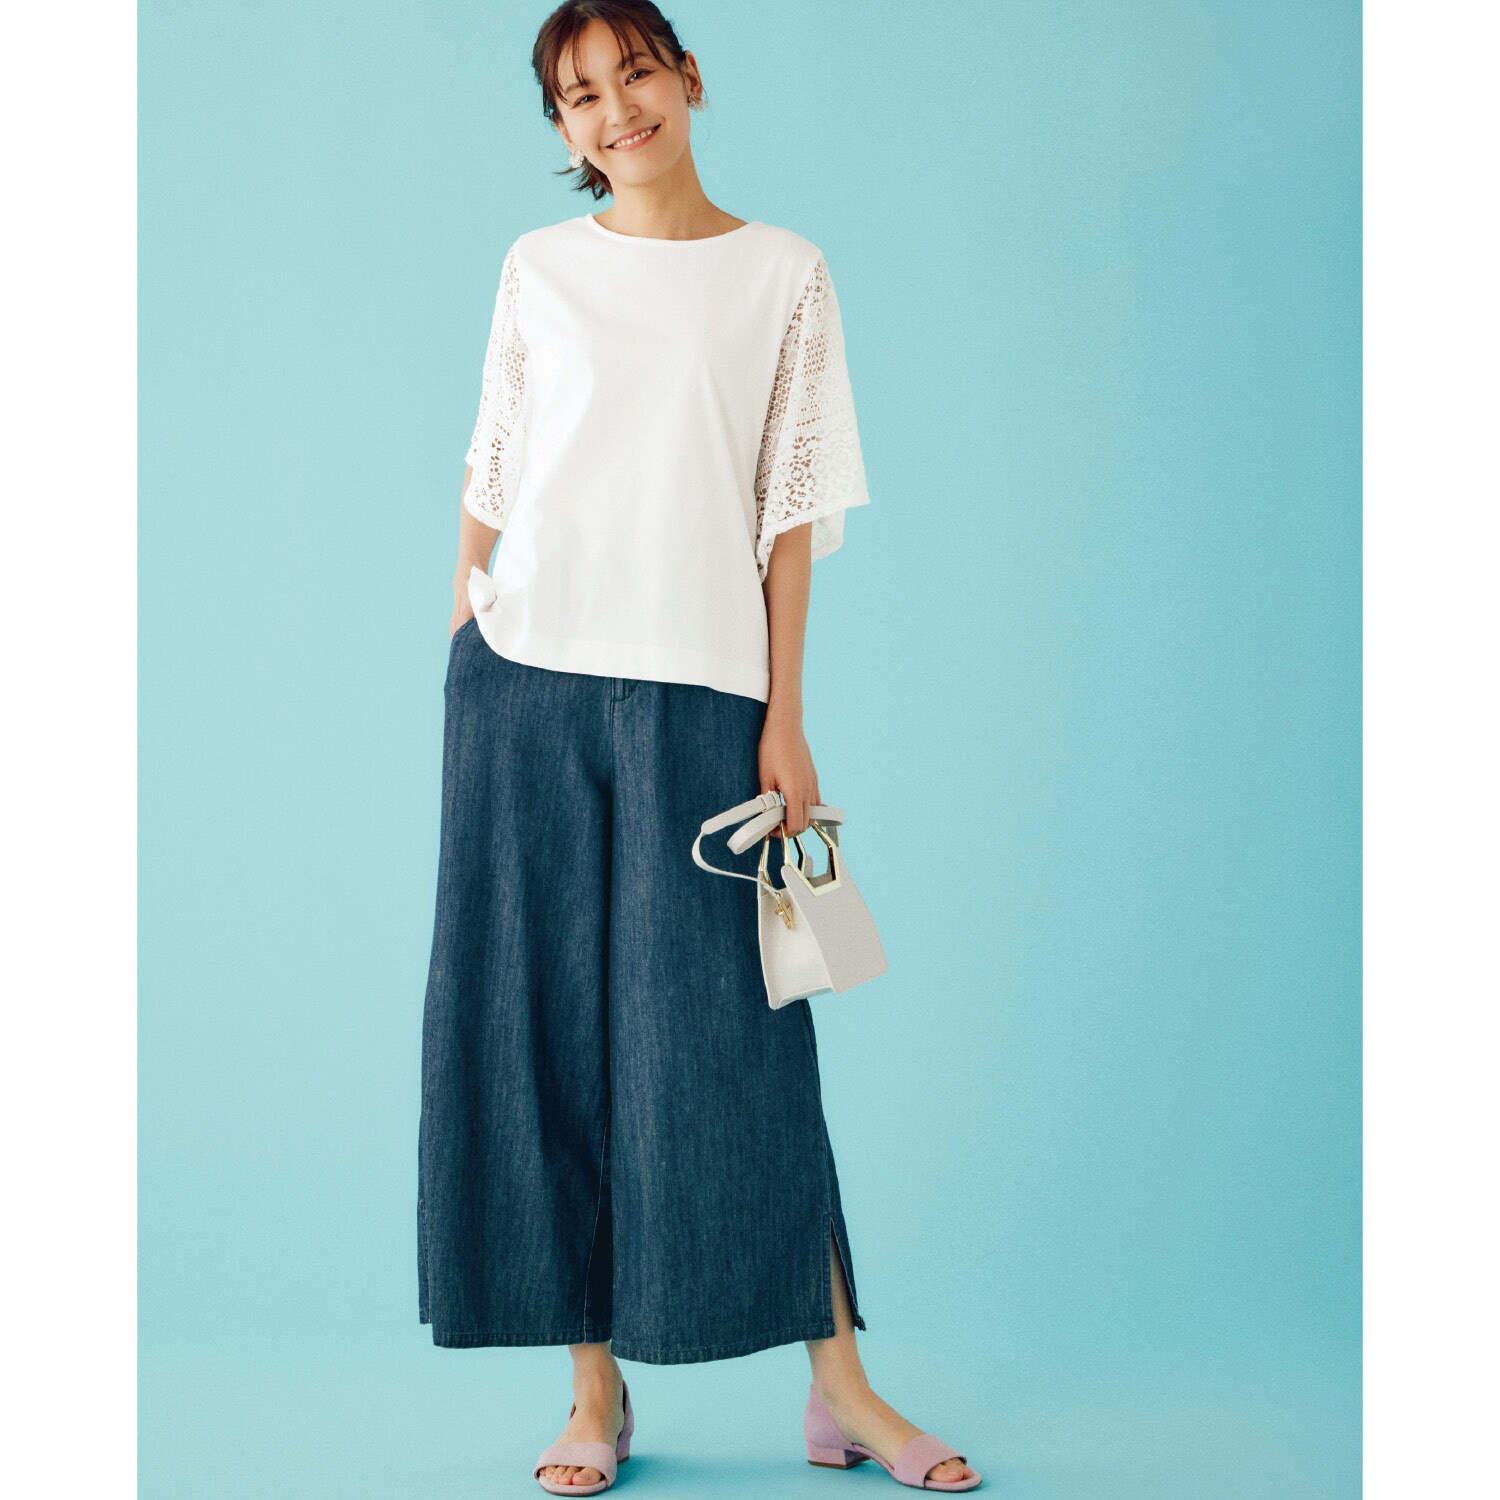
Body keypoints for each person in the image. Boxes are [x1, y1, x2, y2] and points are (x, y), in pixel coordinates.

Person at [416, 2, 981, 1492]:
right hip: (527, 682)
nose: (615, 111)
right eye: (578, 96)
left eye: (635, 74)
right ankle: (592, 1395)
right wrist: (463, 609)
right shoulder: (539, 267)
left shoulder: (784, 273)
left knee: (737, 1040)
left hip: (703, 695)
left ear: (688, 78)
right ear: (562, 128)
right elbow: (496, 451)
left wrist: (785, 712)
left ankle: (843, 1389)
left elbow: (792, 508)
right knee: (540, 1030)